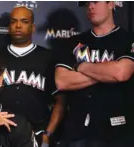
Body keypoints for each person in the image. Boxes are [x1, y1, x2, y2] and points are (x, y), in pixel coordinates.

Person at [54, 1, 134, 147]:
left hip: (117, 133)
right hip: (77, 133)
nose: (90, 6)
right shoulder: (73, 42)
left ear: (111, 4)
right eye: (87, 3)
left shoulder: (127, 39)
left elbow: (121, 73)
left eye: (96, 2)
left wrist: (81, 66)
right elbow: (62, 81)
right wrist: (105, 74)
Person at [0, 6, 64, 146]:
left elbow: (60, 101)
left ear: (32, 27)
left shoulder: (48, 58)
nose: (18, 25)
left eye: (24, 21)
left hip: (37, 133)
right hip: (1, 132)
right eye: (14, 21)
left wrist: (48, 134)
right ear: (9, 27)